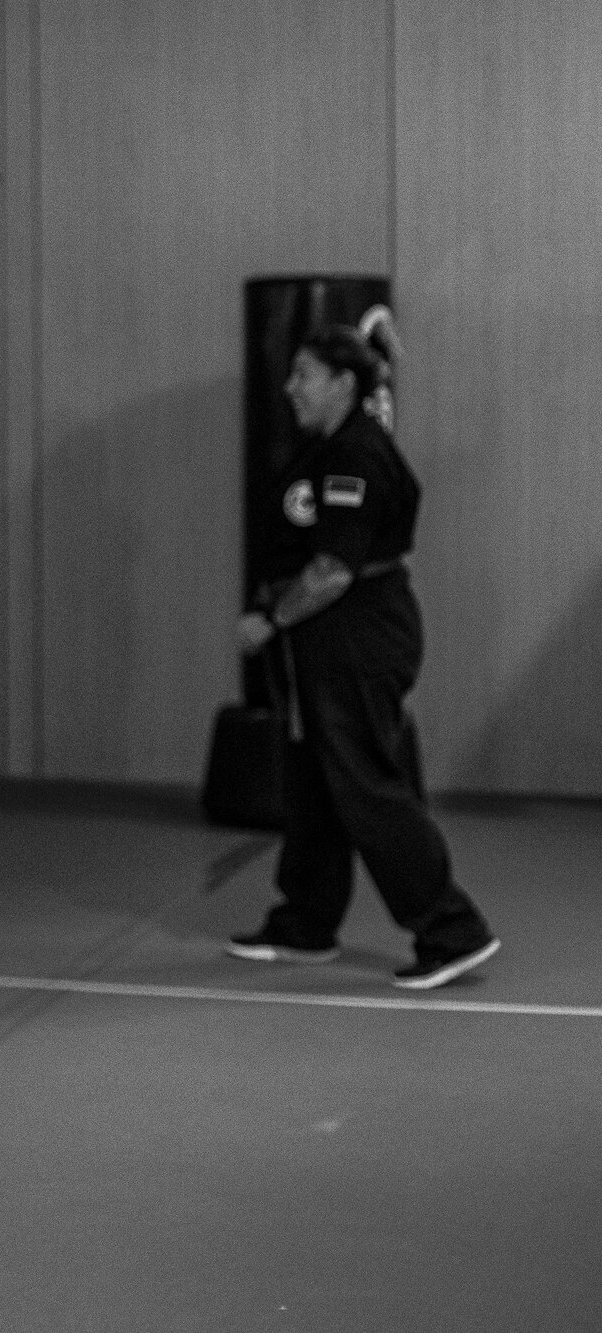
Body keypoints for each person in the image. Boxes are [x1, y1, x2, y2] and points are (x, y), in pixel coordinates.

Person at [227, 318, 499, 990]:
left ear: (342, 383)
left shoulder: (356, 455)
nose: (290, 387)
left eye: (304, 375)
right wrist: (372, 328)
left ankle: (450, 927)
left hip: (356, 632)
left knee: (365, 783)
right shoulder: (337, 437)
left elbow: (333, 569)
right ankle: (306, 923)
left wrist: (269, 620)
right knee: (314, 778)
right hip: (328, 637)